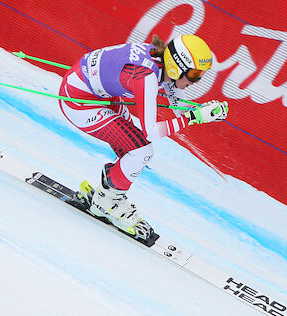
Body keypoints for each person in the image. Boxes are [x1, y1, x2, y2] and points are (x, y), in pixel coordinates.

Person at [58, 34, 228, 241]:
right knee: (142, 150)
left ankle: (106, 194)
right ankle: (106, 201)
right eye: (193, 74)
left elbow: (175, 104)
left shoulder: (161, 62)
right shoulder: (146, 77)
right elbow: (151, 131)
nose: (196, 80)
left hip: (99, 92)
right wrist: (194, 117)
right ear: (176, 67)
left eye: (200, 74)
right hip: (78, 101)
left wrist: (204, 111)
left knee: (134, 149)